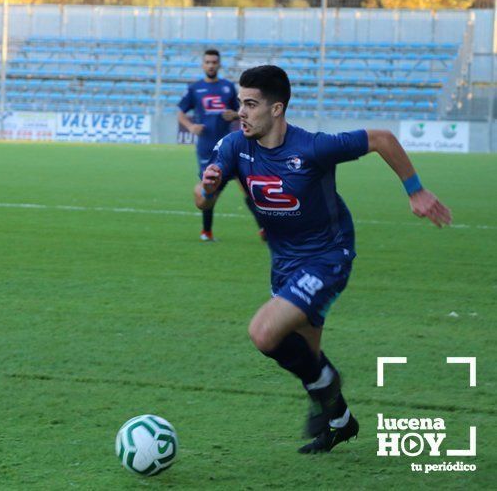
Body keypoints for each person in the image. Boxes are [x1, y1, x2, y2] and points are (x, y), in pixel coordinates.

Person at [197, 65, 451, 453]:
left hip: (328, 256)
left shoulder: (312, 147)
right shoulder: (235, 146)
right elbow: (201, 199)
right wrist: (207, 187)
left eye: (250, 104)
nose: (241, 112)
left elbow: (381, 138)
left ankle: (329, 387)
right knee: (306, 355)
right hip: (284, 262)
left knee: (265, 333)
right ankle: (341, 421)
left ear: (277, 108)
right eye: (240, 103)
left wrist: (415, 191)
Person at [177, 48, 264, 242]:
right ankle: (206, 232)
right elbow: (180, 112)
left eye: (214, 62)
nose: (211, 65)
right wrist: (190, 126)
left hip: (229, 146)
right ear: (203, 64)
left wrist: (233, 115)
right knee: (210, 191)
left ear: (219, 64)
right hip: (207, 148)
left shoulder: (227, 87)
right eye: (207, 62)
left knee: (247, 186)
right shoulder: (195, 89)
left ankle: (264, 229)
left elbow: (241, 111)